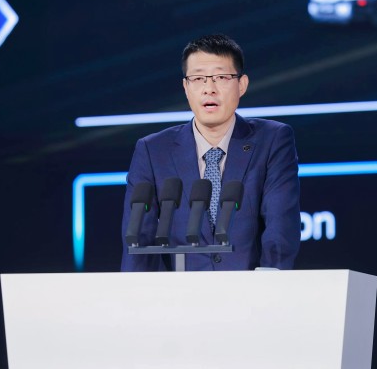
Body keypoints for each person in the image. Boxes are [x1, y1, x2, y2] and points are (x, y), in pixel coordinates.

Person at [120, 34, 300, 271]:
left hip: (250, 289)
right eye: (198, 78)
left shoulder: (273, 140)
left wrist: (268, 286)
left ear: (242, 85)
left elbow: (280, 227)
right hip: (179, 290)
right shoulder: (153, 151)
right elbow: (137, 240)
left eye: (221, 77)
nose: (209, 89)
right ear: (186, 87)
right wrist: (134, 292)